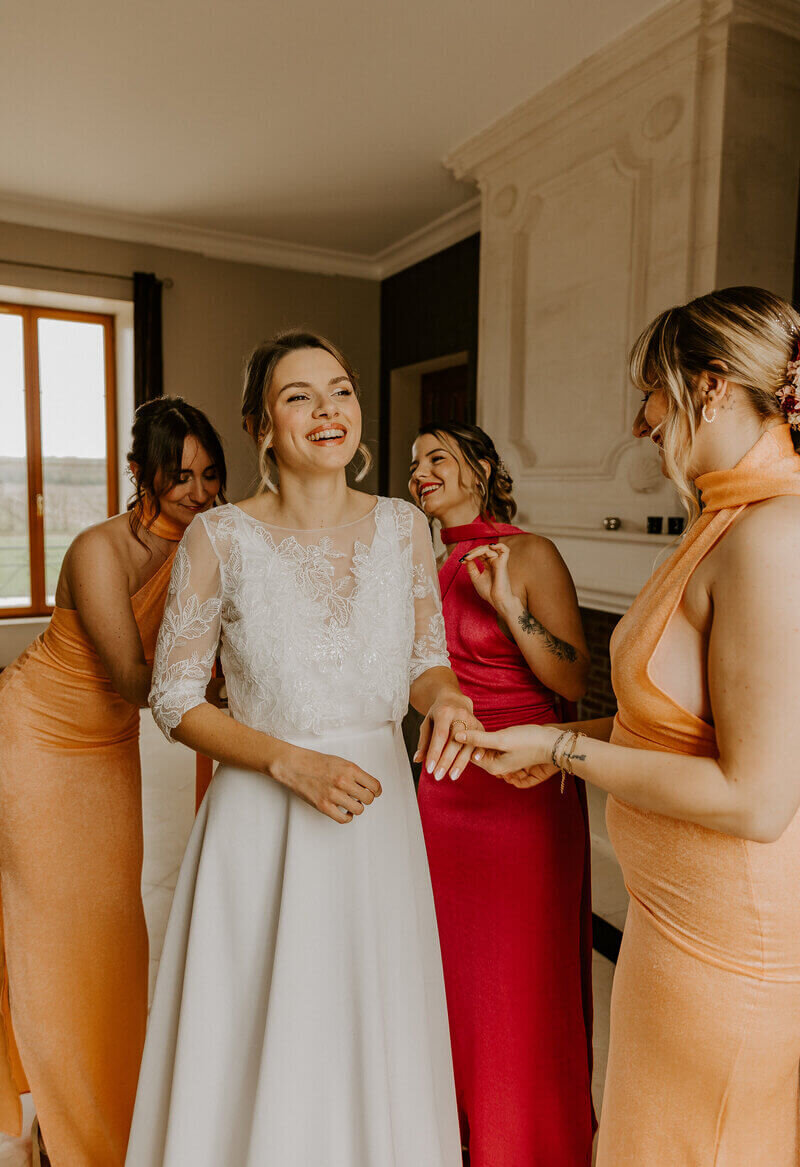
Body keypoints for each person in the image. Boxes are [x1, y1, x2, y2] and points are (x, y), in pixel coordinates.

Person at [454, 287, 800, 1166]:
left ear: (711, 386)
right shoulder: (718, 521)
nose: (641, 418)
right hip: (667, 928)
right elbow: (669, 726)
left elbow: (758, 798)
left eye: (652, 390)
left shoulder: (772, 538)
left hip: (727, 948)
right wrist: (563, 741)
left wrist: (562, 745)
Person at [125, 330, 480, 1167]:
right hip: (263, 813)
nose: (329, 409)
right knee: (260, 1025)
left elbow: (425, 660)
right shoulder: (220, 538)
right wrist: (289, 760)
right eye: (299, 395)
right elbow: (174, 699)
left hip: (375, 815)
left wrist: (448, 697)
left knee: (367, 1016)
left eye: (342, 390)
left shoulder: (403, 529)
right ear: (261, 426)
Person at [0, 397, 226, 1167]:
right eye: (178, 476)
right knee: (55, 936)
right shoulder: (101, 548)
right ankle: (63, 1137)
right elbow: (135, 678)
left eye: (209, 475)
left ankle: (96, 1117)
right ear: (139, 474)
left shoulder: (208, 545)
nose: (197, 491)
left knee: (113, 935)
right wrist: (216, 697)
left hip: (108, 750)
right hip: (37, 739)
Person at [408, 422, 595, 1166]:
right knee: (449, 974)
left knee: (518, 979)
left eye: (438, 456)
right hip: (443, 791)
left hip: (522, 791)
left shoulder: (528, 551)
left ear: (481, 466)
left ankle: (525, 1144)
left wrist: (507, 602)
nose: (421, 471)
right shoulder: (418, 563)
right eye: (415, 462)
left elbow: (572, 679)